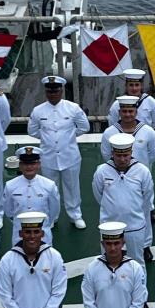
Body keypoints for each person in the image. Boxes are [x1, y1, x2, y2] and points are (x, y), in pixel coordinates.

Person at [29, 75, 91, 229]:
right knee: (50, 189)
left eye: (56, 91)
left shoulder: (73, 108)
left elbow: (85, 127)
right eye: (49, 91)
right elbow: (32, 131)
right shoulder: (38, 111)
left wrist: (69, 137)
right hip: (48, 157)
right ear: (46, 92)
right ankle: (51, 216)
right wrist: (46, 139)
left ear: (61, 90)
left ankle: (75, 215)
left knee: (72, 188)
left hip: (70, 155)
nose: (53, 94)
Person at [93, 137, 155, 259]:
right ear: (112, 154)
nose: (122, 159)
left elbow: (147, 197)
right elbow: (98, 194)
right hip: (109, 227)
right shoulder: (101, 171)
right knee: (109, 260)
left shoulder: (143, 171)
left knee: (137, 261)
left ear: (131, 153)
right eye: (118, 155)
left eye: (125, 155)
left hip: (135, 226)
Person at [8, 146, 64, 248]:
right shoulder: (10, 186)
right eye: (25, 164)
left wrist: (46, 223)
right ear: (20, 165)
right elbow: (9, 211)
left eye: (33, 163)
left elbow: (54, 211)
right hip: (19, 234)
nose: (29, 167)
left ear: (39, 165)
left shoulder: (49, 185)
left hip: (43, 234)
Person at [100, 95, 155, 166]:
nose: (127, 114)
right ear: (119, 112)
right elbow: (106, 154)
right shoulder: (109, 132)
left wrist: (142, 164)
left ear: (136, 112)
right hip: (116, 174)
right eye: (124, 111)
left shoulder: (148, 131)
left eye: (130, 111)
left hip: (141, 175)